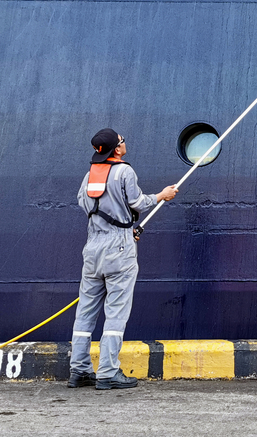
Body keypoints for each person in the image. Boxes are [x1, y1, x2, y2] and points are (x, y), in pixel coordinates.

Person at [68, 128, 178, 390]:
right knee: (116, 312)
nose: (124, 143)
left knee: (85, 312)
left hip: (92, 248)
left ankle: (79, 370)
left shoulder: (89, 175)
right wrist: (162, 196)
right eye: (122, 141)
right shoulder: (124, 171)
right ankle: (107, 372)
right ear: (116, 149)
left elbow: (85, 204)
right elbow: (138, 202)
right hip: (119, 250)